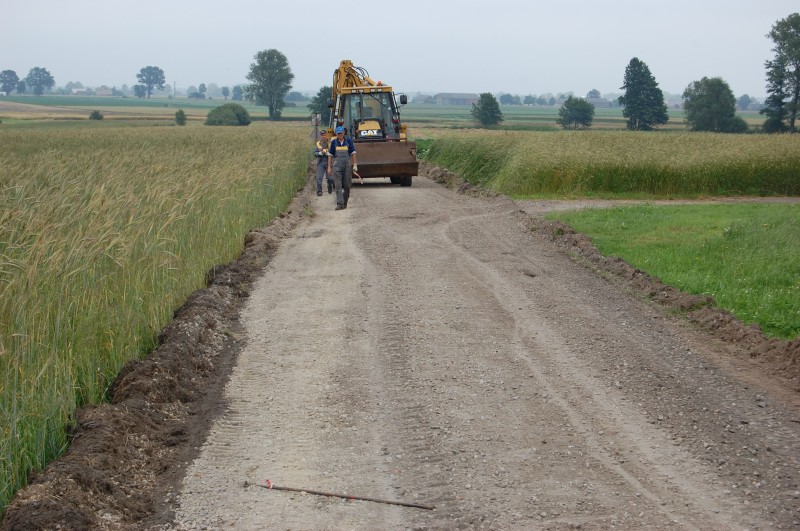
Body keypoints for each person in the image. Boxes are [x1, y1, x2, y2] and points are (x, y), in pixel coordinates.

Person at [327, 126, 358, 210]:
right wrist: (329, 167)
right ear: (336, 134)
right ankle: (340, 204)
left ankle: (344, 202)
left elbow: (353, 153)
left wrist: (355, 165)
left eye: (341, 133)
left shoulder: (348, 141)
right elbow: (330, 155)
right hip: (337, 166)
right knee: (338, 185)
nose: (340, 135)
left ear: (344, 133)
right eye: (338, 133)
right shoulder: (333, 142)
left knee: (347, 185)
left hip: (347, 166)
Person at [313, 130, 333, 195]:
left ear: (326, 135)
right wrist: (319, 153)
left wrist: (328, 153)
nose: (323, 136)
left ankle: (330, 187)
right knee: (319, 178)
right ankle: (319, 191)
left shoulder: (331, 143)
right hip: (320, 162)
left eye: (324, 135)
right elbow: (314, 153)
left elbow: (334, 152)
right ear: (320, 136)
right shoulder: (318, 143)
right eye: (322, 135)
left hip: (329, 162)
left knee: (330, 178)